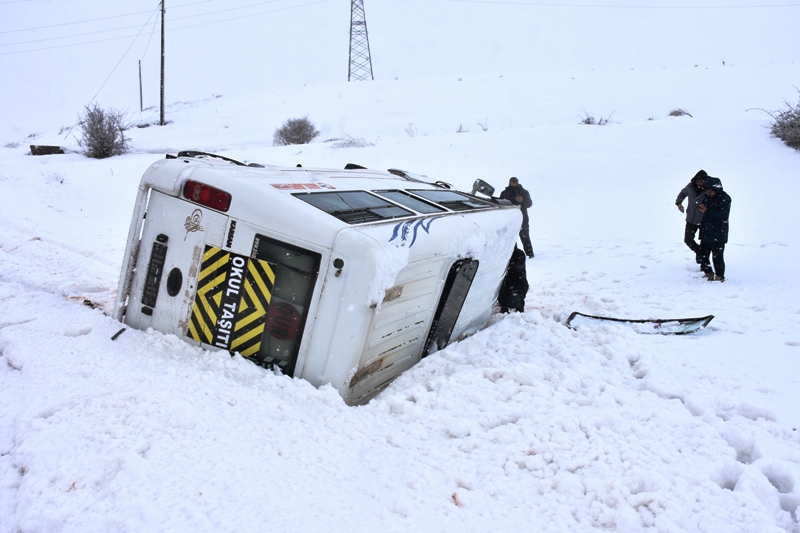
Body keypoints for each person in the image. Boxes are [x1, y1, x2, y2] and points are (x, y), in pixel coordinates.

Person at [697, 177, 731, 282]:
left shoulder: (725, 198)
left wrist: (707, 211)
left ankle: (720, 276)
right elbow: (704, 206)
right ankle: (708, 272)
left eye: (710, 191)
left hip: (718, 232)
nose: (708, 193)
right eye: (707, 191)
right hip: (706, 230)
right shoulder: (707, 197)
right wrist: (701, 207)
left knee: (717, 257)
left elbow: (724, 215)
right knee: (702, 255)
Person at [675, 170, 707, 264]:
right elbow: (682, 193)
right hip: (690, 219)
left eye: (702, 181)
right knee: (688, 240)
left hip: (704, 220)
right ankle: (699, 252)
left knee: (705, 242)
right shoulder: (690, 186)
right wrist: (679, 203)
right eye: (698, 181)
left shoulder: (709, 189)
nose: (699, 183)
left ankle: (703, 262)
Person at [500, 177, 534, 258]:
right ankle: (512, 254)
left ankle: (530, 254)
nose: (513, 183)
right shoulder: (505, 192)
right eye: (512, 182)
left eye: (515, 182)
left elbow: (529, 204)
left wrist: (522, 201)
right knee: (510, 237)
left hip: (522, 218)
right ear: (509, 182)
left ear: (517, 182)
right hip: (509, 219)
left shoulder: (524, 192)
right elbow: (500, 203)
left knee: (525, 236)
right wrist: (512, 200)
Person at [498, 246, 528, 313]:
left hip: (516, 285)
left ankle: (519, 306)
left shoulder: (519, 254)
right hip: (504, 285)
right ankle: (503, 307)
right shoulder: (500, 253)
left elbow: (517, 268)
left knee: (513, 301)